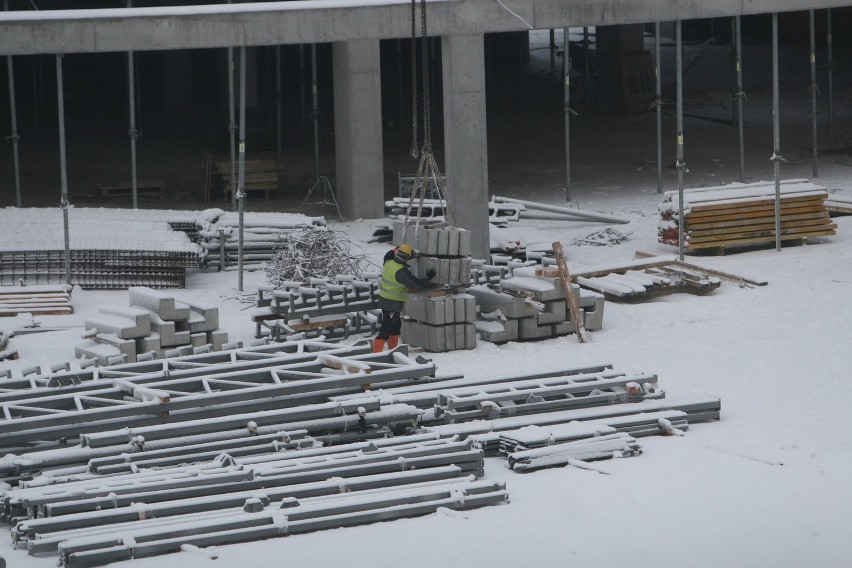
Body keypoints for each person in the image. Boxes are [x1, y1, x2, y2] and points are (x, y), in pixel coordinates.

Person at [374, 243, 436, 352]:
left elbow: (388, 254)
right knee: (386, 328)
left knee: (396, 326)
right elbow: (416, 284)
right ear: (407, 258)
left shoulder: (388, 263)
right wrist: (428, 277)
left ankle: (392, 349)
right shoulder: (401, 272)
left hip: (385, 301)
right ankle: (376, 352)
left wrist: (398, 249)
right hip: (392, 304)